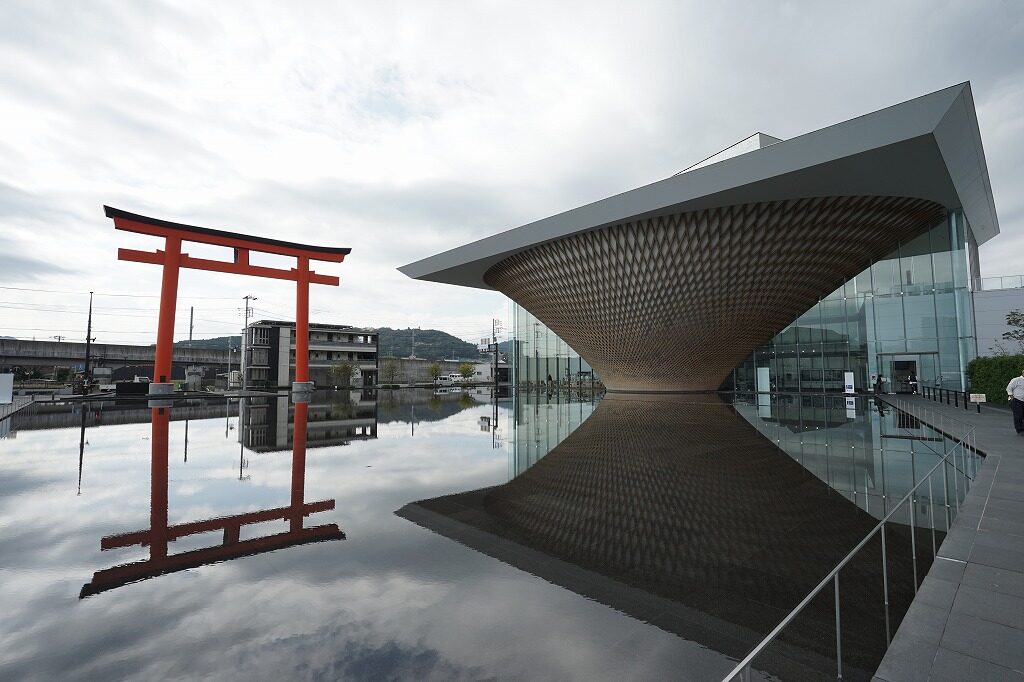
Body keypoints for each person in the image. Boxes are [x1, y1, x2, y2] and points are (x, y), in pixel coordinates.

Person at [1008, 368, 1024, 435]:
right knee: (1018, 415)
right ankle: (1019, 430)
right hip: (1016, 400)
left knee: (1022, 415)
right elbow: (1009, 388)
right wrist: (1012, 397)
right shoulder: (1016, 380)